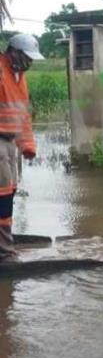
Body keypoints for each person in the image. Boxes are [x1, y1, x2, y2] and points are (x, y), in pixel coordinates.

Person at [0, 34, 44, 263]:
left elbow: (22, 116)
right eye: (26, 58)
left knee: (10, 192)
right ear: (13, 52)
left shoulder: (20, 77)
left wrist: (28, 145)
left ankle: (5, 244)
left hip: (10, 142)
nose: (29, 63)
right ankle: (5, 252)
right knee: (2, 196)